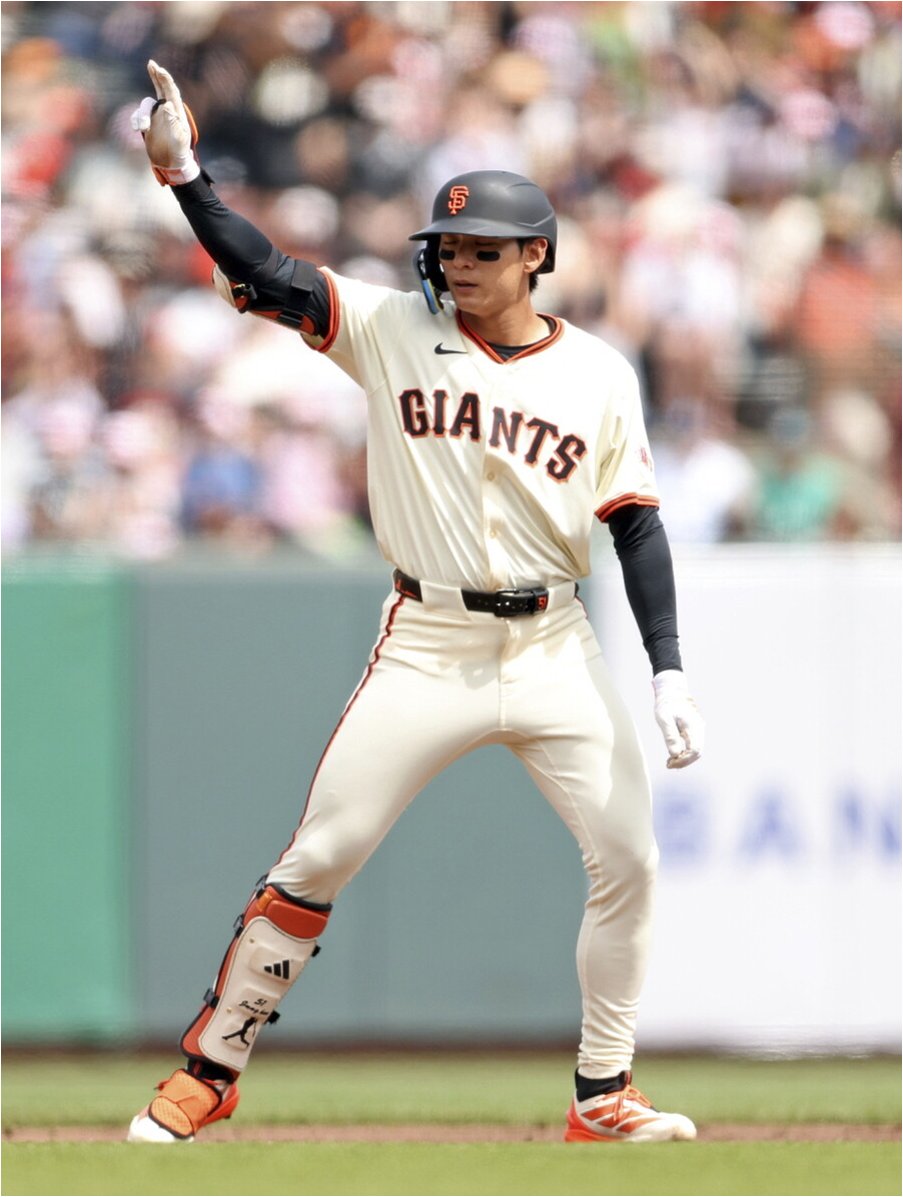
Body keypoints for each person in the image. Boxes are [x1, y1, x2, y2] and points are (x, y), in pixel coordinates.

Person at [127, 61, 705, 1146]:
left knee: (630, 859)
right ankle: (210, 1070)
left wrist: (668, 667)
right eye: (446, 246)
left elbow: (635, 523)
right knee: (319, 857)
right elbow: (265, 268)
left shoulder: (598, 373)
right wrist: (186, 179)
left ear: (536, 257)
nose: (456, 263)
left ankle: (603, 1094)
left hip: (556, 644)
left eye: (483, 248)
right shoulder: (391, 327)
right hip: (429, 641)